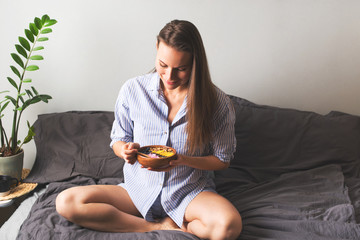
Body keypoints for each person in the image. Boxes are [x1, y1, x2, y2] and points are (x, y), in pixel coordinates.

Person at [56, 19, 242, 240]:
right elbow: (118, 139)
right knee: (66, 202)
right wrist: (124, 149)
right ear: (156, 49)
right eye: (163, 65)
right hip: (138, 192)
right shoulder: (133, 90)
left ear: (195, 62)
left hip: (188, 192)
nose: (170, 77)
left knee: (228, 226)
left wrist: (183, 160)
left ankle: (185, 226)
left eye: (181, 69)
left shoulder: (217, 102)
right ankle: (157, 226)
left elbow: (222, 160)